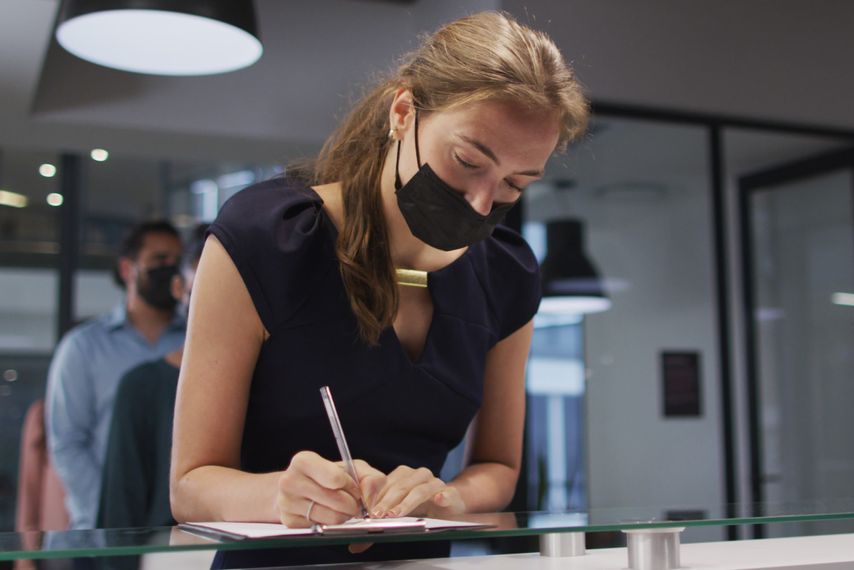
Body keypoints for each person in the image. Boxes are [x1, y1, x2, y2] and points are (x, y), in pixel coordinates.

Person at [169, 11, 587, 568]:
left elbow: (500, 469)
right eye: (467, 162)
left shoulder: (507, 276)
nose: (482, 204)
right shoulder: (268, 241)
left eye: (515, 183)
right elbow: (190, 485)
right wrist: (281, 495)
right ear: (403, 112)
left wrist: (446, 496)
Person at [46, 220, 187, 529]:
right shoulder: (84, 347)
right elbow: (68, 442)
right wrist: (113, 513)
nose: (170, 269)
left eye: (176, 261)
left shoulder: (193, 341)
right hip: (104, 529)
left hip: (177, 527)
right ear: (127, 269)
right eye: (159, 260)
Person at [97, 225, 207, 530]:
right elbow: (121, 504)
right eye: (205, 287)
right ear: (180, 289)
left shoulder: (272, 383)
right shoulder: (141, 385)